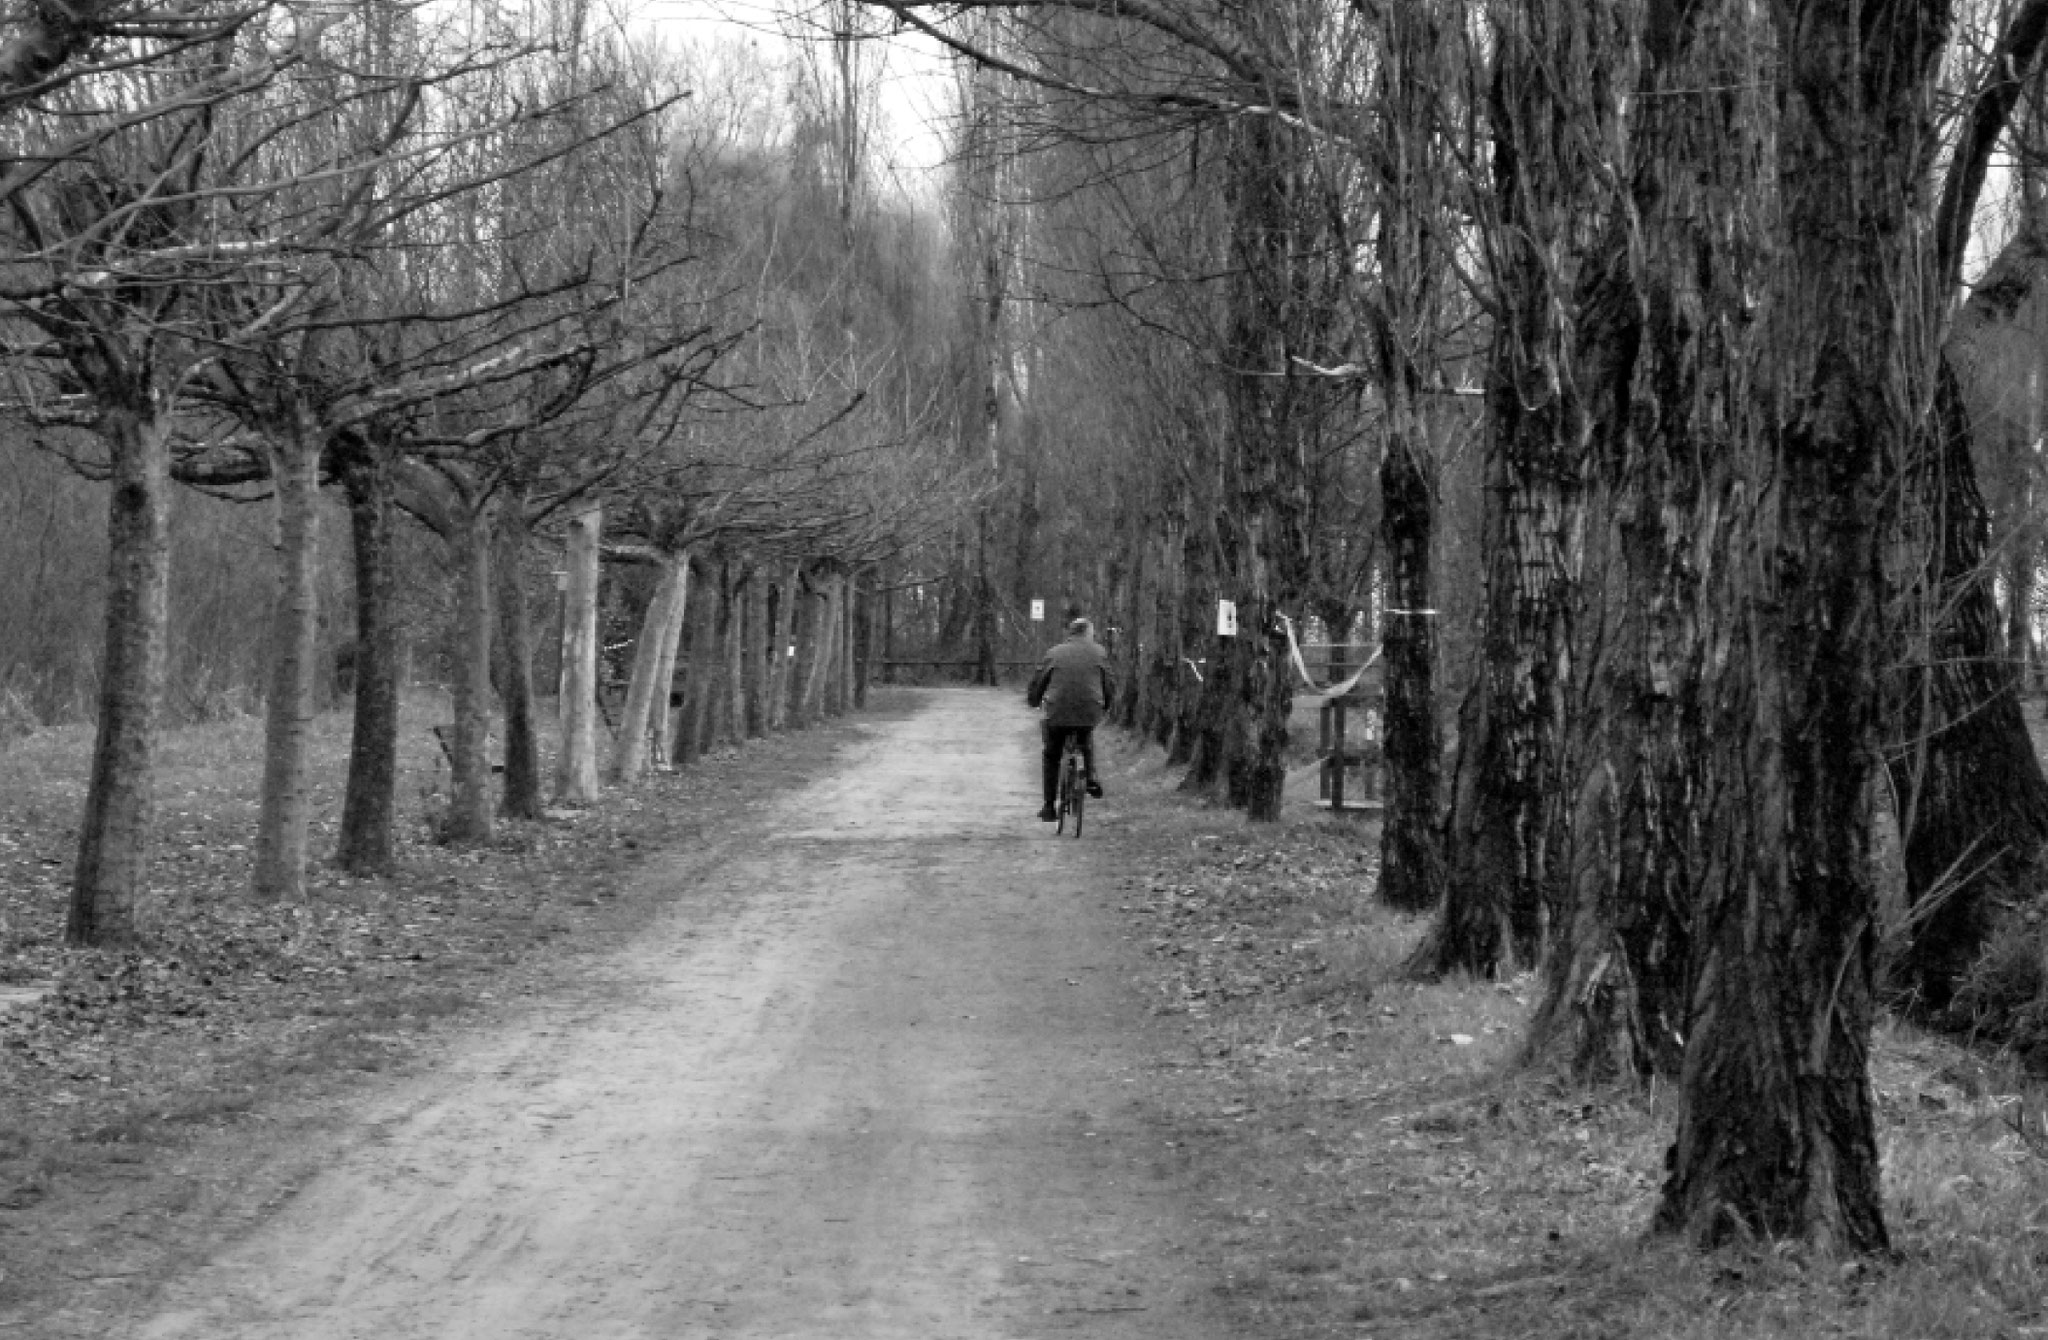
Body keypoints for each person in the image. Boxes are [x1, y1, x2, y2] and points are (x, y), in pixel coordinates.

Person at [1026, 617, 1115, 822]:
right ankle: (1091, 777)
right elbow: (1109, 684)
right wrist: (1107, 705)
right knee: (1086, 738)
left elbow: (1039, 681)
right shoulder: (1099, 653)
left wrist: (1033, 700)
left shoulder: (1054, 653)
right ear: (1088, 633)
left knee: (1052, 754)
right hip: (1090, 709)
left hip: (1057, 712)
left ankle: (1049, 806)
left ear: (1071, 633)